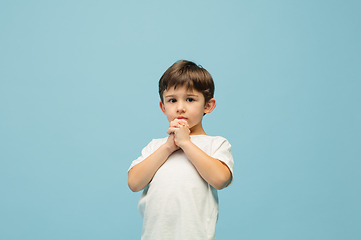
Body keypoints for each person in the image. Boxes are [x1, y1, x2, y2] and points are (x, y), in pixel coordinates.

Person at [128, 60, 234, 240]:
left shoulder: (215, 144)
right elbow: (134, 183)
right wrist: (169, 146)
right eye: (172, 100)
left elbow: (220, 179)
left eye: (190, 99)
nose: (180, 108)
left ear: (207, 105)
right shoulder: (156, 146)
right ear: (163, 107)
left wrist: (186, 143)